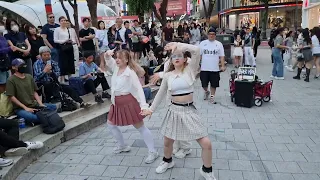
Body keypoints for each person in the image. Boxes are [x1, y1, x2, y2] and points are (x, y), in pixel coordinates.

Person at [141, 42, 216, 179]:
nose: (176, 58)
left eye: (179, 56)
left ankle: (207, 170)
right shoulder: (168, 76)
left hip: (189, 111)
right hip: (173, 111)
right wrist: (150, 110)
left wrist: (179, 45)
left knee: (206, 143)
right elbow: (161, 93)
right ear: (170, 60)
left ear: (184, 59)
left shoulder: (190, 70)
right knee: (167, 142)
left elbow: (197, 50)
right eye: (173, 56)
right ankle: (167, 161)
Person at [103, 49, 159, 164]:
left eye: (120, 58)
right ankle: (122, 145)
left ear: (127, 60)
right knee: (111, 124)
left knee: (140, 127)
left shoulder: (130, 73)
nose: (117, 59)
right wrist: (107, 55)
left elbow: (138, 89)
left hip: (128, 102)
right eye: (116, 57)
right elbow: (109, 61)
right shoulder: (116, 68)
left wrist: (144, 106)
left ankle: (153, 151)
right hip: (116, 103)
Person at [6, 58, 57, 124]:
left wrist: (40, 104)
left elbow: (34, 91)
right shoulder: (11, 80)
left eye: (23, 65)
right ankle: (42, 117)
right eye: (20, 65)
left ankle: (42, 116)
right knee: (34, 118)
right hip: (21, 108)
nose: (23, 67)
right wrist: (25, 108)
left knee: (53, 107)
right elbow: (11, 97)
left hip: (34, 104)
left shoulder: (29, 76)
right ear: (14, 67)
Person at [199, 28, 226, 104]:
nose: (211, 36)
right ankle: (206, 91)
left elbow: (222, 56)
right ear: (207, 35)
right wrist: (197, 65)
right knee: (204, 83)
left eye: (213, 34)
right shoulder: (203, 43)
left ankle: (212, 96)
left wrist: (223, 66)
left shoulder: (219, 44)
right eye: (210, 34)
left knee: (214, 84)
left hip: (214, 68)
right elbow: (199, 55)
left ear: (215, 35)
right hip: (204, 67)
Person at [54, 16, 76, 83]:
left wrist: (71, 41)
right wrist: (64, 41)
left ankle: (70, 79)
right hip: (62, 48)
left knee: (70, 63)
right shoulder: (57, 29)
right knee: (63, 64)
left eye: (65, 20)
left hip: (69, 47)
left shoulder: (68, 29)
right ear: (59, 22)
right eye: (62, 20)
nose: (64, 22)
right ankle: (62, 80)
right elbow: (55, 40)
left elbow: (73, 39)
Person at [0, 26, 15, 93]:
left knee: (8, 81)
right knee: (2, 83)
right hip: (1, 64)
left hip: (6, 62)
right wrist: (9, 49)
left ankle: (7, 98)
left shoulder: (3, 37)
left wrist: (11, 48)